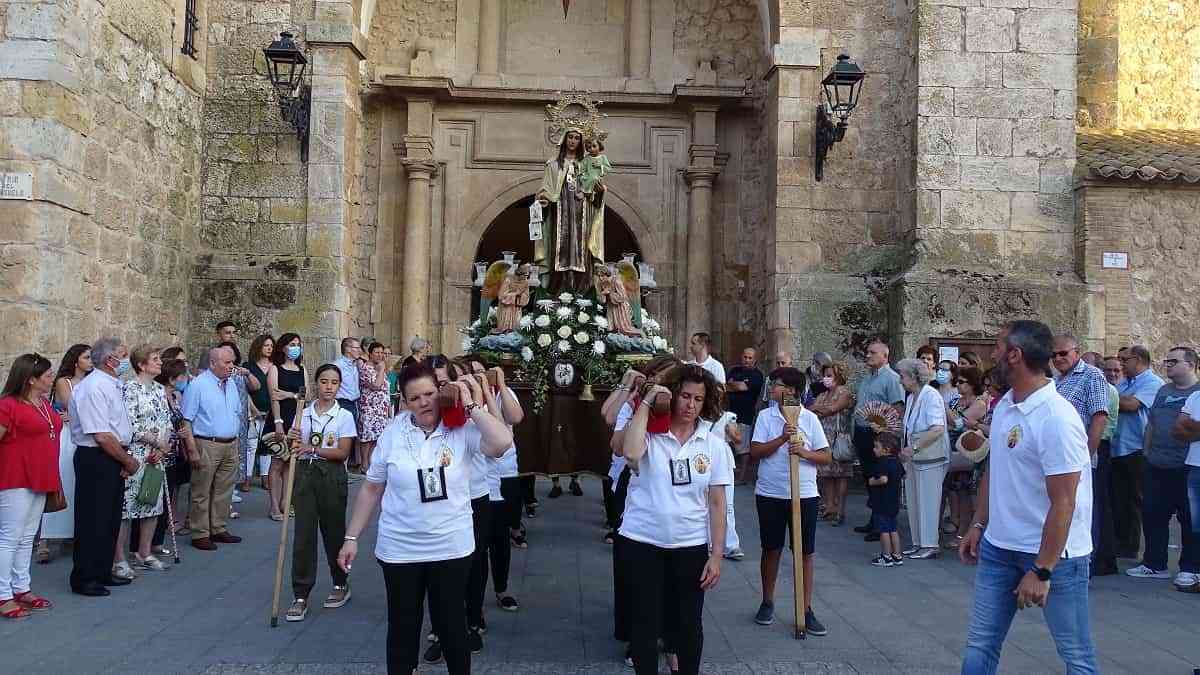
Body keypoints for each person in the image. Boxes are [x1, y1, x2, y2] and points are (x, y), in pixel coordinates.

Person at [337, 364, 512, 675]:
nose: (424, 402)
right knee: (403, 628)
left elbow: (501, 443)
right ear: (404, 401)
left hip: (450, 547)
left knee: (452, 627)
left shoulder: (461, 428)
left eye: (430, 393)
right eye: (415, 397)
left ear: (442, 390)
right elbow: (372, 487)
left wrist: (469, 403)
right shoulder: (392, 434)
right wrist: (351, 538)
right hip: (400, 548)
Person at [958, 320, 1096, 674]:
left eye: (998, 346)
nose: (992, 353)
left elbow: (1064, 502)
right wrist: (978, 523)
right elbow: (996, 470)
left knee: (1075, 656)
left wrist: (1042, 569)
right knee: (980, 645)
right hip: (999, 549)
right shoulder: (1005, 405)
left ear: (1015, 355)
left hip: (1055, 557)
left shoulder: (1057, 418)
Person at [620, 365, 732, 674]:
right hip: (643, 541)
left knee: (688, 625)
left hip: (690, 544)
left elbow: (717, 502)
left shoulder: (713, 446)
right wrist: (647, 401)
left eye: (698, 399)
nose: (690, 405)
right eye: (684, 396)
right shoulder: (651, 434)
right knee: (644, 621)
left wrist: (717, 555)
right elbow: (629, 452)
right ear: (672, 395)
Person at [749, 367, 831, 633]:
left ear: (792, 390)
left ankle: (805, 608)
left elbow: (826, 456)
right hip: (771, 492)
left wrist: (804, 452)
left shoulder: (809, 419)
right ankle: (767, 601)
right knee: (771, 548)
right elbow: (756, 451)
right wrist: (782, 438)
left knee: (805, 552)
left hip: (804, 493)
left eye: (777, 384)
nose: (772, 388)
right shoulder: (765, 416)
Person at [283, 364, 357, 621]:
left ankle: (340, 583)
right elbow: (293, 446)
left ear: (339, 386)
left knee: (334, 531)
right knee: (303, 534)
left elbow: (343, 452)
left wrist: (311, 449)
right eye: (324, 381)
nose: (328, 387)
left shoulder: (344, 416)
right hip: (304, 475)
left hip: (331, 476)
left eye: (334, 382)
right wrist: (291, 438)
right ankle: (301, 593)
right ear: (317, 384)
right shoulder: (303, 412)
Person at [68, 337, 138, 597]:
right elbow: (101, 434)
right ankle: (85, 576)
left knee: (109, 518)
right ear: (110, 360)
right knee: (92, 519)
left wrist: (123, 455)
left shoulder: (112, 384)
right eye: (123, 354)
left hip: (111, 455)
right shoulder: (93, 387)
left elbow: (116, 426)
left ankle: (102, 570)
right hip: (95, 457)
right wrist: (127, 460)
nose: (125, 358)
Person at [1127, 346, 1200, 588]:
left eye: (1173, 361)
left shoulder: (1198, 393)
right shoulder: (1163, 390)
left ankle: (1189, 568)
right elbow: (1152, 424)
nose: (1167, 365)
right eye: (1167, 360)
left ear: (1190, 365)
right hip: (1156, 463)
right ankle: (1154, 564)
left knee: (1189, 519)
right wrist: (1147, 451)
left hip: (1186, 467)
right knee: (1152, 514)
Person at [0, 354, 62, 618]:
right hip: (16, 477)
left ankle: (21, 587)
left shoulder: (43, 403)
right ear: (30, 379)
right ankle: (3, 595)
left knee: (27, 537)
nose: (51, 378)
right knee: (10, 537)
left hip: (41, 476)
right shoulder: (8, 406)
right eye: (47, 375)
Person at [1049, 335, 1113, 577]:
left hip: (1079, 458)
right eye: (1053, 355)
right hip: (1058, 459)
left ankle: (1086, 563)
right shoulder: (1055, 380)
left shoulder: (1092, 376)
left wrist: (1087, 456)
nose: (1058, 358)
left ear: (1076, 352)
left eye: (1063, 353)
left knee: (1085, 510)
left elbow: (1099, 417)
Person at [114, 347, 172, 578]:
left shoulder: (159, 389)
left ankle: (144, 552)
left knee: (152, 503)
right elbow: (132, 424)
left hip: (157, 455)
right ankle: (119, 559)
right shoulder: (129, 389)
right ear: (141, 364)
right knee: (127, 509)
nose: (160, 363)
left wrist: (163, 446)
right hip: (136, 455)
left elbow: (167, 420)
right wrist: (157, 443)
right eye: (155, 359)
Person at [181, 346, 245, 551]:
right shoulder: (198, 385)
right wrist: (191, 449)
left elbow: (236, 412)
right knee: (202, 489)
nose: (231, 366)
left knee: (224, 489)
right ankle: (200, 532)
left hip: (230, 443)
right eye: (226, 363)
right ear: (212, 363)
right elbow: (186, 419)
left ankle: (218, 527)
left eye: (232, 362)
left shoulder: (232, 384)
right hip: (207, 442)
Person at [38, 344, 91, 563]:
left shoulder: (91, 381)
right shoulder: (64, 382)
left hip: (85, 435)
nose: (90, 361)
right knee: (63, 482)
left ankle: (71, 534)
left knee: (78, 486)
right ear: (75, 360)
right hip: (68, 437)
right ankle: (44, 541)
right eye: (86, 357)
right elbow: (73, 406)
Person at [1111, 345, 1163, 558]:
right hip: (1119, 447)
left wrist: (1105, 394)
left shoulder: (1153, 383)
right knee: (1118, 499)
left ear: (1139, 359)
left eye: (1126, 360)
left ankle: (1130, 547)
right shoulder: (1126, 383)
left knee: (1133, 500)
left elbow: (1131, 405)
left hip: (1136, 448)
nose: (1122, 364)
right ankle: (1119, 541)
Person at [852, 339, 906, 541]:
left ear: (885, 356)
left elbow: (898, 408)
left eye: (872, 352)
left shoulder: (892, 379)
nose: (868, 355)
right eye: (867, 352)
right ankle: (875, 519)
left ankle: (883, 524)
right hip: (863, 433)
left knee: (881, 478)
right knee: (869, 477)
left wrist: (884, 429)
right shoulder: (866, 378)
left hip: (880, 435)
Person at [896, 358, 949, 559]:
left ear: (913, 377)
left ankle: (930, 544)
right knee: (913, 498)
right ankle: (918, 542)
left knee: (928, 499)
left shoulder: (931, 396)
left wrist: (914, 447)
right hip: (914, 456)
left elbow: (937, 429)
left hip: (930, 456)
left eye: (902, 376)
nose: (901, 380)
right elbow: (908, 426)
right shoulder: (911, 397)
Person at [944, 366, 989, 544]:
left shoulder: (979, 403)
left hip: (967, 453)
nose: (958, 385)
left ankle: (965, 533)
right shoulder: (957, 401)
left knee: (968, 496)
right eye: (957, 382)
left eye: (962, 382)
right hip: (953, 451)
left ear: (972, 384)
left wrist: (946, 410)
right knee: (958, 492)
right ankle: (961, 532)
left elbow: (956, 424)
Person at [267, 333, 307, 521]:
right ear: (283, 347)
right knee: (276, 463)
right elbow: (274, 397)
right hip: (280, 421)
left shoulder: (302, 369)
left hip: (296, 420)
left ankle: (286, 502)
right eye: (292, 344)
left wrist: (288, 395)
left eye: (298, 344)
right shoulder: (275, 369)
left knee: (290, 464)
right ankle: (274, 506)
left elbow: (304, 396)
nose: (295, 347)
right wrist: (278, 423)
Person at [154, 359, 194, 543]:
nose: (186, 379)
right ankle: (152, 540)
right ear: (171, 378)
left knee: (170, 493)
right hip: (162, 452)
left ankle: (159, 537)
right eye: (182, 376)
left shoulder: (175, 396)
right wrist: (176, 434)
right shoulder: (159, 395)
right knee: (158, 499)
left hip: (175, 453)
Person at [812, 361, 855, 526]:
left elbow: (832, 409)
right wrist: (820, 408)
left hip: (839, 439)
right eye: (825, 375)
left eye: (829, 375)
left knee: (841, 475)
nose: (825, 378)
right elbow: (811, 408)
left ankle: (840, 511)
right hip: (824, 438)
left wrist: (820, 408)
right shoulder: (823, 394)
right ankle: (829, 507)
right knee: (826, 475)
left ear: (838, 376)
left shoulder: (844, 393)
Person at [241, 334, 275, 493]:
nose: (269, 348)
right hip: (253, 412)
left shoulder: (275, 367)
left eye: (271, 346)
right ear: (258, 346)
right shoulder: (249, 366)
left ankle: (265, 477)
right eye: (266, 345)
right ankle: (247, 477)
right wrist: (253, 409)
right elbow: (244, 391)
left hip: (270, 412)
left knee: (267, 445)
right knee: (251, 445)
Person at [725, 347, 764, 484]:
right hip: (729, 413)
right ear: (741, 356)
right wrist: (736, 386)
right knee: (726, 443)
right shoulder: (734, 370)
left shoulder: (757, 375)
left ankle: (742, 477)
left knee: (743, 448)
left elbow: (742, 387)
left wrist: (734, 385)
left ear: (755, 360)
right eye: (745, 357)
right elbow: (726, 387)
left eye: (750, 358)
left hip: (745, 414)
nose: (747, 360)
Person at [868, 432, 903, 567]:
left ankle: (886, 556)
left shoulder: (882, 462)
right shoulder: (897, 462)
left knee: (883, 530)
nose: (874, 450)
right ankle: (897, 555)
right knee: (893, 529)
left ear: (886, 449)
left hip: (882, 501)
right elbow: (902, 476)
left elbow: (883, 479)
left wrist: (872, 481)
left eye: (876, 447)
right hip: (894, 501)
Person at [357, 342, 392, 473]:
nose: (380, 355)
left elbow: (385, 388)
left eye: (382, 352)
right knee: (367, 437)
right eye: (377, 352)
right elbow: (376, 385)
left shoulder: (380, 368)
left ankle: (371, 462)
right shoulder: (366, 368)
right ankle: (364, 464)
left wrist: (387, 407)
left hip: (380, 408)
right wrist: (382, 369)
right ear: (370, 353)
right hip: (369, 407)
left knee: (376, 437)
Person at [334, 337, 363, 423]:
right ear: (348, 349)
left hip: (355, 404)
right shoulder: (337, 365)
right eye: (357, 348)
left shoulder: (355, 364)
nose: (360, 350)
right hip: (343, 404)